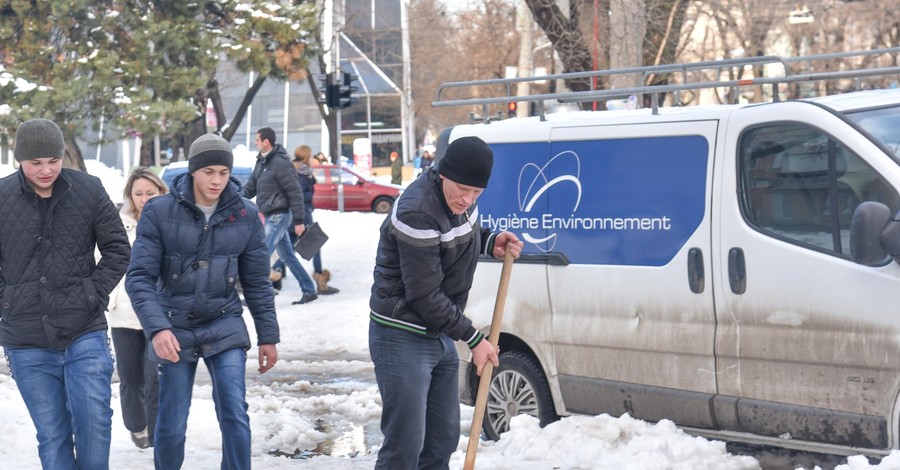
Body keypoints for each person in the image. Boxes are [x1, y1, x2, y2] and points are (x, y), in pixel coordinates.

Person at [368, 136, 523, 469]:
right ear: (443, 174)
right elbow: (423, 294)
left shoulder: (462, 201)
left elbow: (457, 236)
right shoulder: (417, 211)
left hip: (438, 332)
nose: (467, 200)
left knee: (442, 440)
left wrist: (490, 239)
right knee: (405, 446)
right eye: (462, 189)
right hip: (402, 334)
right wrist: (473, 337)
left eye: (476, 193)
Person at [125, 133, 279, 469]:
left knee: (234, 410)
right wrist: (157, 328)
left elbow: (256, 281)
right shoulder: (159, 211)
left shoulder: (245, 214)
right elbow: (139, 278)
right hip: (174, 325)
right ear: (194, 171)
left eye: (223, 173)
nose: (217, 180)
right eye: (209, 171)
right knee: (171, 420)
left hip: (223, 322)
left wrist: (268, 335)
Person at [0, 118, 131, 469]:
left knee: (95, 424)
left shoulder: (88, 189)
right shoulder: (1, 197)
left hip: (83, 329)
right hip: (25, 338)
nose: (46, 170)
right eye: (36, 162)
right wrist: (7, 302)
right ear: (19, 160)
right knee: (53, 434)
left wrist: (92, 292)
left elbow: (118, 248)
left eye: (53, 161)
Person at [108, 167, 167, 449]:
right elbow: (104, 261)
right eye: (139, 193)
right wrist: (110, 298)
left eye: (150, 193)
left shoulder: (171, 221)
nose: (144, 199)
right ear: (130, 196)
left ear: (161, 192)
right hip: (124, 314)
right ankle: (137, 426)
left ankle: (156, 436)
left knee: (154, 377)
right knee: (130, 378)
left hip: (159, 313)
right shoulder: (119, 224)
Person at [243, 127, 318, 304]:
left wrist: (299, 221)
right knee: (287, 257)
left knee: (262, 253)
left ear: (266, 142)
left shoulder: (281, 163)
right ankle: (309, 289)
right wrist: (237, 199)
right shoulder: (262, 162)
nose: (255, 142)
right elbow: (251, 186)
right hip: (269, 214)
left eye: (257, 140)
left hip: (280, 215)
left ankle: (258, 295)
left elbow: (295, 192)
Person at [271, 145, 340, 295]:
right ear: (305, 157)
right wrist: (301, 218)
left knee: (289, 251)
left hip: (294, 217)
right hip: (300, 216)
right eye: (310, 155)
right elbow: (298, 197)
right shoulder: (301, 174)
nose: (312, 157)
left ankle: (272, 274)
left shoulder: (299, 170)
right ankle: (320, 282)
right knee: (313, 246)